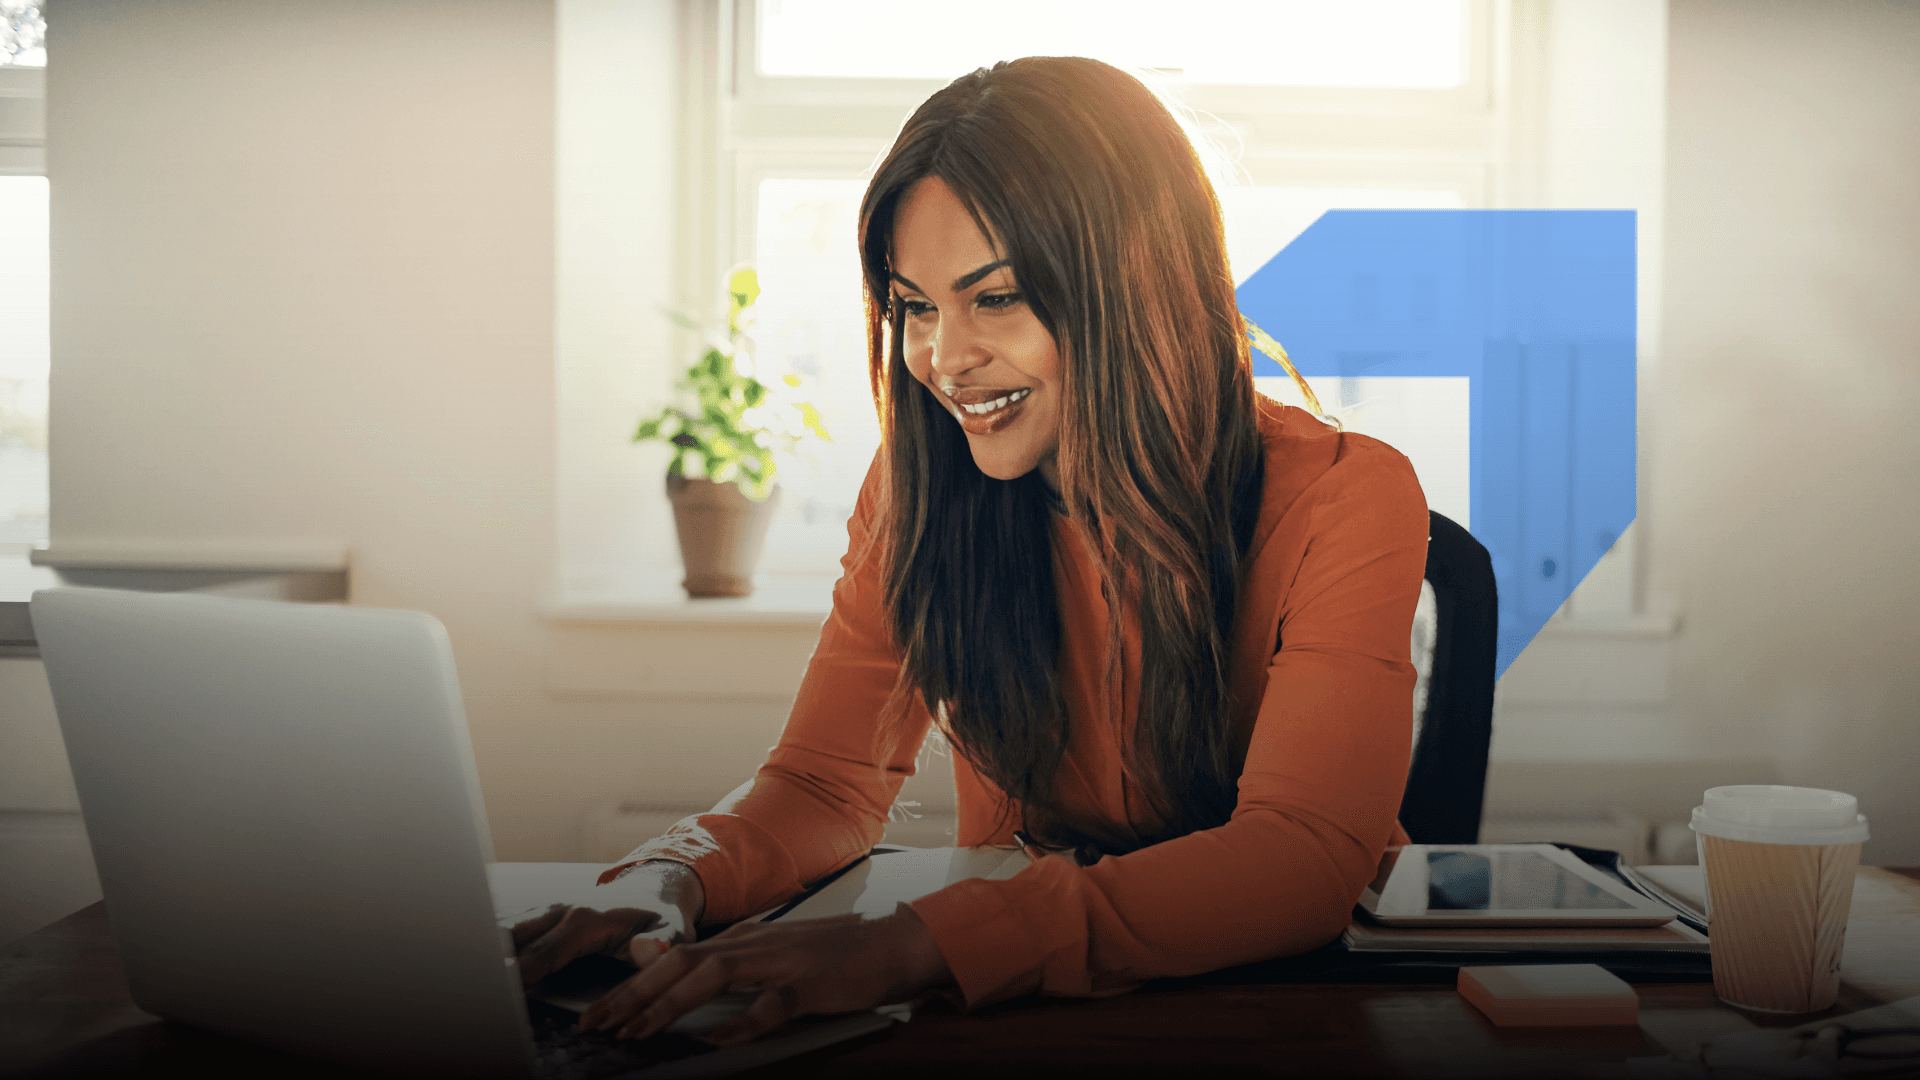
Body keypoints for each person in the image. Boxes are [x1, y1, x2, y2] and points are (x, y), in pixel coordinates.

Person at [512, 55, 1428, 1047]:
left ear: (1136, 284)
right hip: (1015, 1002)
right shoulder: (920, 487)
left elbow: (1299, 858)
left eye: (996, 298)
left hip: (1286, 1003)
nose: (942, 358)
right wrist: (668, 877)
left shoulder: (1347, 495)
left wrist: (911, 947)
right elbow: (825, 782)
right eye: (914, 306)